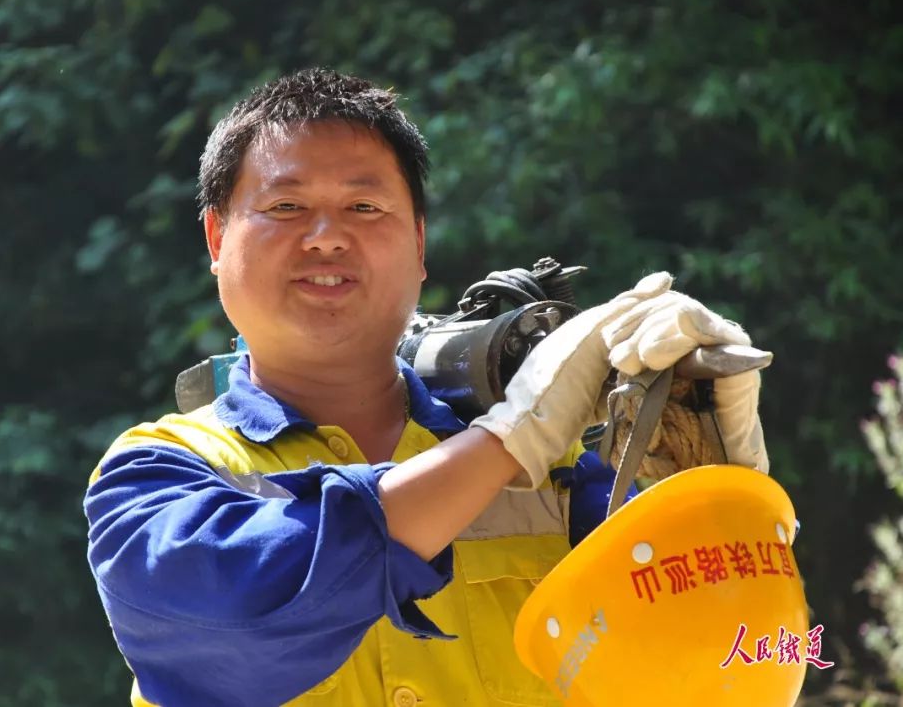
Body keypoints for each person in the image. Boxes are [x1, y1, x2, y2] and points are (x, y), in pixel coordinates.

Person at [84, 68, 768, 707]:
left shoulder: (561, 480)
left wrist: (720, 498)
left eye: (364, 205)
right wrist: (512, 437)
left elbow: (723, 668)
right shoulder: (154, 475)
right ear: (216, 238)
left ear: (418, 244)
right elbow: (244, 618)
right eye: (286, 205)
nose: (326, 238)